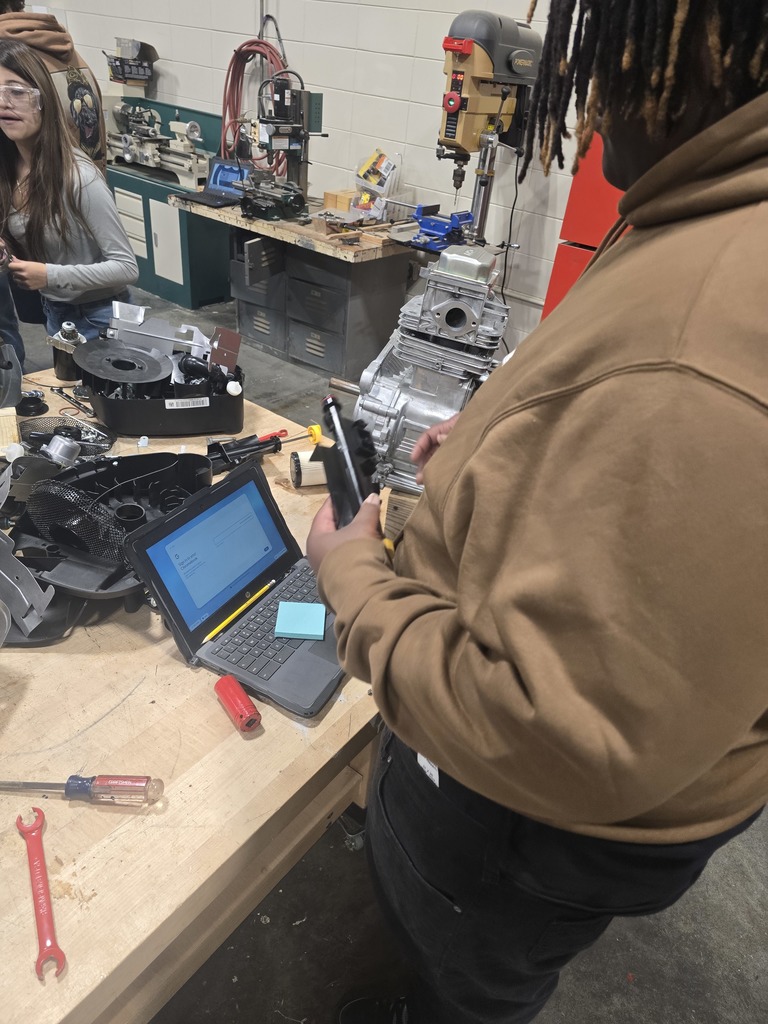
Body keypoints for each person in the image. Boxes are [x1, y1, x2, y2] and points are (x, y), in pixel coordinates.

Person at [306, 2, 768, 1023]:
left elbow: (555, 733)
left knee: (464, 972)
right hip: (618, 795)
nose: (594, 107)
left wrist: (350, 580)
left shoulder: (704, 341)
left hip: (518, 829)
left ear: (701, 47)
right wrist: (495, 450)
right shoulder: (711, 212)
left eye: (613, 58)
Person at [0, 40, 137, 352]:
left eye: (17, 92)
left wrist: (49, 275)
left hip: (103, 317)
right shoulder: (10, 168)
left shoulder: (79, 178)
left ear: (43, 99)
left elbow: (127, 267)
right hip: (58, 313)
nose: (5, 103)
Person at [0, 1, 108, 367]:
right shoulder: (70, 54)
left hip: (60, 212)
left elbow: (123, 267)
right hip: (52, 231)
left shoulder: (14, 60)